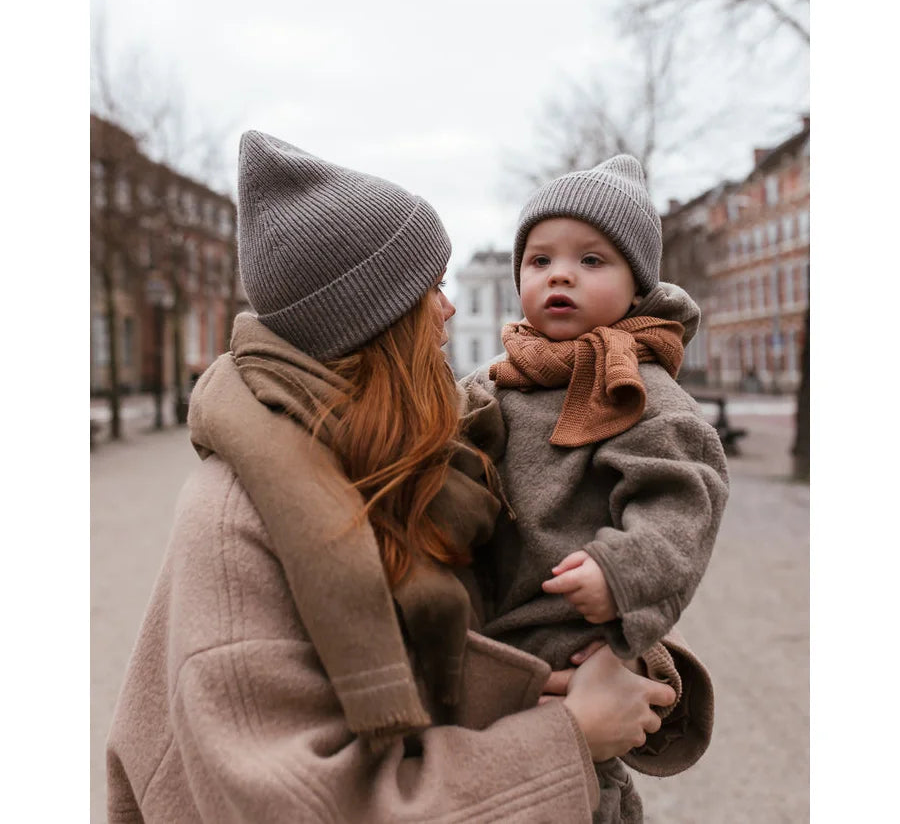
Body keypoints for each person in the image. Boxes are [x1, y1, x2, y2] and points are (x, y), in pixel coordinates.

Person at [107, 132, 694, 824]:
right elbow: (294, 806)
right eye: (430, 288)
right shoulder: (238, 517)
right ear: (374, 319)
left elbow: (496, 620)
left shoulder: (417, 460)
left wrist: (625, 666)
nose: (449, 310)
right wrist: (566, 739)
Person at [457, 155, 730, 820]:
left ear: (637, 286)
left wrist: (621, 571)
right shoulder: (496, 381)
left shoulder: (638, 389)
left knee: (582, 789)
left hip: (569, 638)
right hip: (487, 640)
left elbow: (684, 496)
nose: (559, 274)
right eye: (540, 259)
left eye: (591, 261)